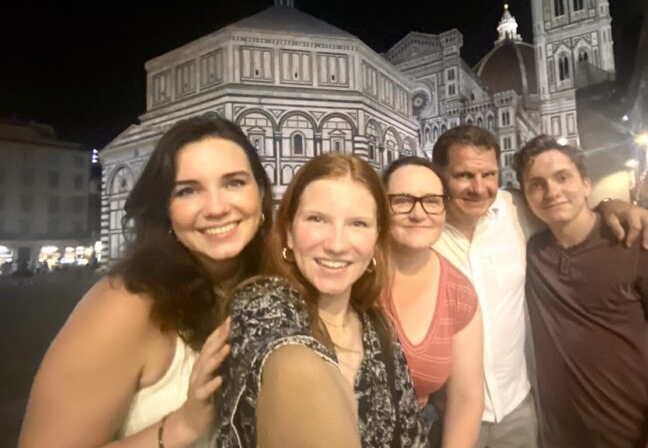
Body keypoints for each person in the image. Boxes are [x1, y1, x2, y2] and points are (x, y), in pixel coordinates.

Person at [19, 116, 272, 448]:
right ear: (165, 210)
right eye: (188, 190)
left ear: (262, 192)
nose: (216, 207)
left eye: (234, 183)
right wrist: (183, 424)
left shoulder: (268, 288)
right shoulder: (125, 306)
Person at [430, 125, 648, 448]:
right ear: (439, 175)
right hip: (449, 415)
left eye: (489, 174)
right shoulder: (421, 228)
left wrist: (614, 205)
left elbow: (566, 205)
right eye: (463, 175)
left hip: (518, 413)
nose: (479, 187)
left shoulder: (515, 210)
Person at [216, 153, 426, 448]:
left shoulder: (379, 330)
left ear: (376, 239)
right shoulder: (259, 306)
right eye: (317, 219)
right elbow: (283, 352)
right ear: (289, 231)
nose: (336, 244)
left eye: (358, 224)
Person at [512, 135, 648, 448]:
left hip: (645, 437)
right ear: (526, 197)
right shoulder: (528, 253)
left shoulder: (641, 241)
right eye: (536, 184)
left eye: (562, 177)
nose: (552, 191)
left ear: (586, 184)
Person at [381, 156, 483, 447]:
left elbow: (466, 396)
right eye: (402, 200)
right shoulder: (350, 273)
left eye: (432, 200)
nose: (418, 213)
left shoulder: (459, 293)